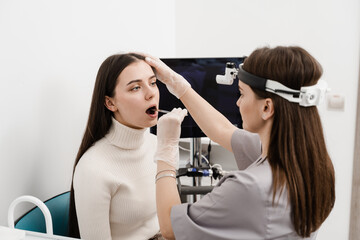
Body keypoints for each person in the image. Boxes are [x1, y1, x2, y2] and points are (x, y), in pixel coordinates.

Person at [144, 46, 335, 240]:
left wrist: (166, 149)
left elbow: (170, 228)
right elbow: (223, 130)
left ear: (267, 107)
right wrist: (180, 87)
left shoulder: (250, 187)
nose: (237, 103)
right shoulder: (310, 162)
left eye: (242, 94)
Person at [68, 53, 164, 240]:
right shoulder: (93, 169)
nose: (151, 93)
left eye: (152, 83)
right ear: (110, 103)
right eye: (136, 87)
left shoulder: (156, 144)